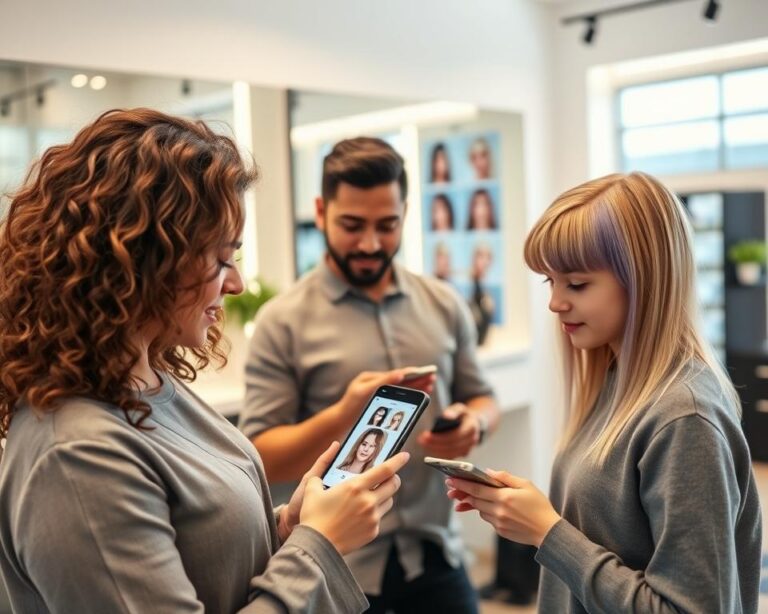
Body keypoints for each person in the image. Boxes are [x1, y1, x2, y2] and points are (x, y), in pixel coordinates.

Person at [0, 109, 410, 614]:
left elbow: (208, 552)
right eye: (220, 259)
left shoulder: (149, 381)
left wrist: (290, 527)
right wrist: (319, 545)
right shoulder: (75, 455)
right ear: (145, 259)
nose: (235, 284)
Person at [445, 172, 763, 613]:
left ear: (645, 281)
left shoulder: (684, 419)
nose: (556, 302)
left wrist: (548, 532)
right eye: (549, 282)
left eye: (576, 283)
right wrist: (533, 515)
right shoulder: (618, 380)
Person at [241, 136, 500, 614]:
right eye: (352, 225)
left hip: (438, 557)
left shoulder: (444, 304)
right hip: (339, 569)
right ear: (320, 212)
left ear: (405, 213)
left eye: (387, 225)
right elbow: (260, 456)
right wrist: (342, 416)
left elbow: (483, 396)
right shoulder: (282, 322)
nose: (370, 243)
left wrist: (474, 424)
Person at [468, 243, 495, 345]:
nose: (484, 261)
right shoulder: (469, 285)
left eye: (487, 257)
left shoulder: (489, 287)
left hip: (483, 342)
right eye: (480, 256)